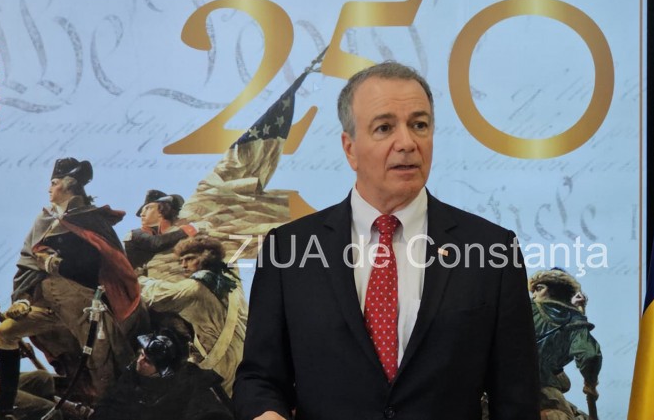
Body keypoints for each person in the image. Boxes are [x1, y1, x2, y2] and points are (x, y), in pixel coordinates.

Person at [233, 61, 539, 420]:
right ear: (350, 148)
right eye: (384, 128)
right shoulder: (287, 250)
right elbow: (259, 378)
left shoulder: (492, 250)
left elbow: (517, 397)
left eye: (419, 125)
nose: (407, 143)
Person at [0, 158, 143, 413]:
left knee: (101, 365)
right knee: (5, 332)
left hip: (84, 305)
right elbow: (28, 264)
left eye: (54, 182)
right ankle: (4, 409)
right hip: (48, 305)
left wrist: (53, 263)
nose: (49, 188)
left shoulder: (91, 219)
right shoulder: (44, 219)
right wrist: (23, 299)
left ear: (69, 183)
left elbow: (95, 267)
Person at [137, 236, 247, 396]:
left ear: (207, 257)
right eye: (181, 260)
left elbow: (158, 297)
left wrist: (140, 279)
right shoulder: (230, 280)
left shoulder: (196, 287)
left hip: (222, 362)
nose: (183, 265)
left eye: (189, 259)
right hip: (243, 354)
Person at [91, 329, 232, 420]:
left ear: (163, 371)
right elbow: (112, 402)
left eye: (147, 361)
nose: (140, 361)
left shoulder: (190, 388)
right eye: (141, 354)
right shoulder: (134, 372)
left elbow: (214, 414)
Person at [529, 269, 602, 420]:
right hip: (542, 390)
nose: (534, 295)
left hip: (501, 391)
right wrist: (590, 384)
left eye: (538, 288)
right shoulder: (575, 321)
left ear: (555, 290)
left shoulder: (523, 308)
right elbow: (590, 355)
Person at [124, 190, 207, 281]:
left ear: (162, 210)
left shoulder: (165, 232)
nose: (142, 214)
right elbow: (156, 243)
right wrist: (189, 229)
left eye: (148, 208)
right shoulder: (135, 234)